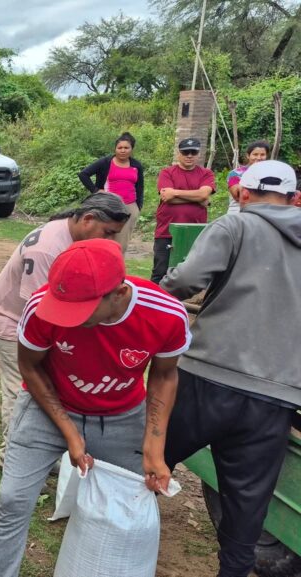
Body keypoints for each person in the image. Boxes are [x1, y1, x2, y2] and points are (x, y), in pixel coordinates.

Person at [0, 238, 187, 577]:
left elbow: (164, 376)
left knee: (127, 506)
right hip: (46, 409)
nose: (66, 319)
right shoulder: (42, 307)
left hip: (121, 416)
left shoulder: (166, 314)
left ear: (119, 294)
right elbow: (30, 367)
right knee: (12, 500)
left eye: (80, 311)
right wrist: (70, 433)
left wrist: (154, 447)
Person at [160, 160, 300, 577]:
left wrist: (160, 291)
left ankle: (112, 539)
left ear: (243, 193)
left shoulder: (234, 225)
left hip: (209, 375)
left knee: (148, 459)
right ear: (295, 199)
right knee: (246, 511)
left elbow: (186, 280)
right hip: (276, 395)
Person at [0, 193, 130, 467]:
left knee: (48, 388)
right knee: (22, 392)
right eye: (108, 232)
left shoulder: (75, 238)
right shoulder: (48, 250)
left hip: (40, 321)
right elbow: (38, 312)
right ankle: (13, 458)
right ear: (87, 219)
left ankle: (43, 454)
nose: (112, 241)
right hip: (14, 319)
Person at [150, 137, 215, 283]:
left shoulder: (206, 173)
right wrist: (198, 199)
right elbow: (167, 197)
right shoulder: (167, 172)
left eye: (193, 152)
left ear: (199, 154)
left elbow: (203, 194)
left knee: (190, 275)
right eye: (185, 152)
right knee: (160, 273)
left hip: (194, 232)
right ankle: (156, 298)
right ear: (179, 153)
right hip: (166, 231)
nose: (189, 156)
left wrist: (175, 192)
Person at [78, 132, 145, 252]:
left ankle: (117, 262)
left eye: (126, 148)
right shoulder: (105, 162)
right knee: (103, 240)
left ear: (131, 149)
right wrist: (96, 190)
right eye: (120, 147)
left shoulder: (136, 166)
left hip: (129, 207)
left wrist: (138, 207)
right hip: (107, 207)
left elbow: (140, 188)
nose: (123, 150)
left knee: (121, 244)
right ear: (115, 148)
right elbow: (84, 174)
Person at [226, 140, 270, 215]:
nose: (259, 157)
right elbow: (238, 196)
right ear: (248, 155)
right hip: (238, 212)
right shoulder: (235, 173)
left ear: (266, 156)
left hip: (264, 213)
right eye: (255, 154)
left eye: (262, 155)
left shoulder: (271, 173)